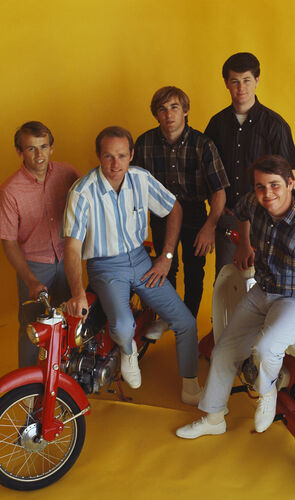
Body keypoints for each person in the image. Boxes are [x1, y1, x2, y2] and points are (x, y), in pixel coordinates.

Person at [176, 155, 295, 438]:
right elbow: (241, 213)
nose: (267, 193)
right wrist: (244, 244)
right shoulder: (254, 203)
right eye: (260, 186)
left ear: (290, 183)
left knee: (265, 349)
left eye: (275, 185)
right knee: (223, 350)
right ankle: (214, 418)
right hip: (264, 290)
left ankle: (267, 391)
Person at [62, 126, 201, 404]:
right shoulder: (82, 192)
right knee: (123, 326)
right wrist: (77, 293)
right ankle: (128, 352)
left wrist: (166, 257)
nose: (116, 164)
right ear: (98, 155)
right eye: (108, 156)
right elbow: (72, 248)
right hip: (105, 267)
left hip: (141, 260)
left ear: (131, 155)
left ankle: (190, 380)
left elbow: (174, 209)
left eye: (122, 156)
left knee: (186, 322)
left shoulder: (140, 178)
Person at [133, 86, 229, 339]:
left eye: (174, 107)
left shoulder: (203, 144)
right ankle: (169, 316)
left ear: (185, 110)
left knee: (194, 271)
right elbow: (132, 186)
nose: (169, 114)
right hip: (161, 215)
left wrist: (210, 226)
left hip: (196, 214)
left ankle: (187, 323)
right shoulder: (144, 143)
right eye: (162, 109)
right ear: (156, 114)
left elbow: (219, 190)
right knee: (166, 265)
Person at [205, 52, 295, 276]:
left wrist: (281, 219)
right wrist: (216, 206)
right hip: (228, 218)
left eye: (247, 80)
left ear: (257, 80)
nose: (241, 87)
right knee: (226, 281)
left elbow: (287, 179)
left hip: (266, 219)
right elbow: (206, 172)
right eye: (235, 81)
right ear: (226, 83)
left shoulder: (275, 125)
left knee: (265, 282)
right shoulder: (217, 124)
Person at [0, 121, 80, 367]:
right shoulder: (10, 191)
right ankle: (28, 383)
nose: (39, 154)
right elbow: (9, 242)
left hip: (68, 258)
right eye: (31, 148)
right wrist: (31, 280)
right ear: (19, 152)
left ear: (52, 147)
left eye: (43, 146)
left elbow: (89, 204)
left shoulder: (68, 173)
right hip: (33, 265)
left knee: (71, 322)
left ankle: (68, 375)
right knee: (31, 328)